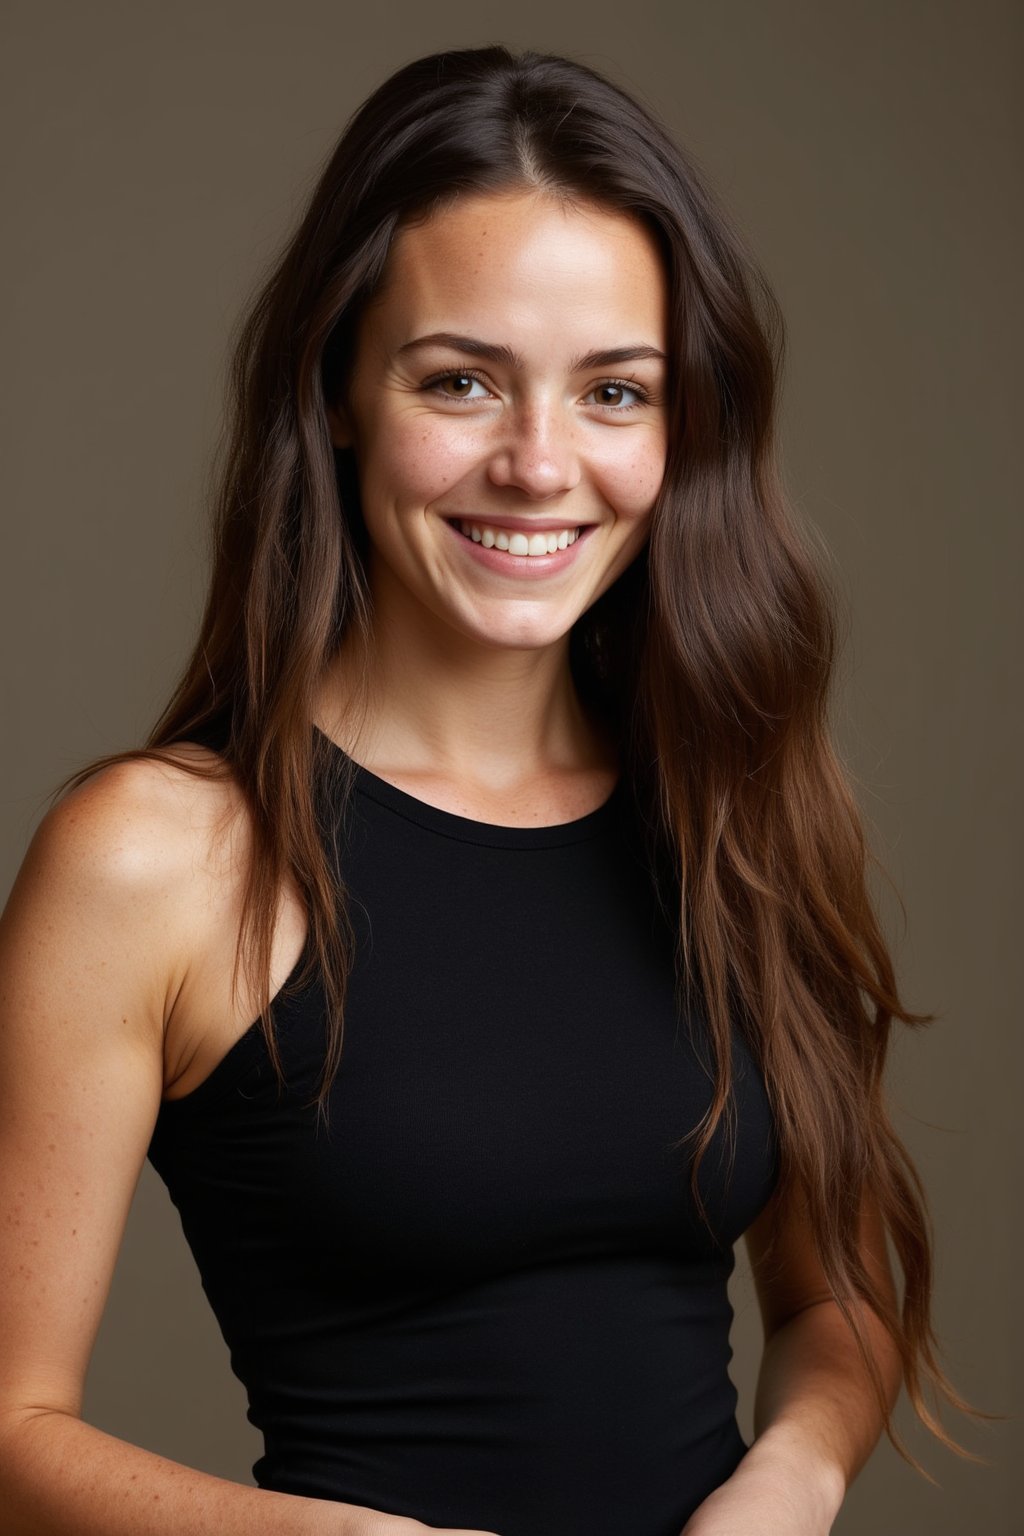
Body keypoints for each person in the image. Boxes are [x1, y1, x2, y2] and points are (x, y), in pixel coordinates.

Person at [0, 44, 976, 1536]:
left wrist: (792, 1475)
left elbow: (833, 1299)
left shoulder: (729, 812)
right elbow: (11, 1428)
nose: (538, 463)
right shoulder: (158, 858)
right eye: (459, 380)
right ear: (336, 393)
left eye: (614, 392)